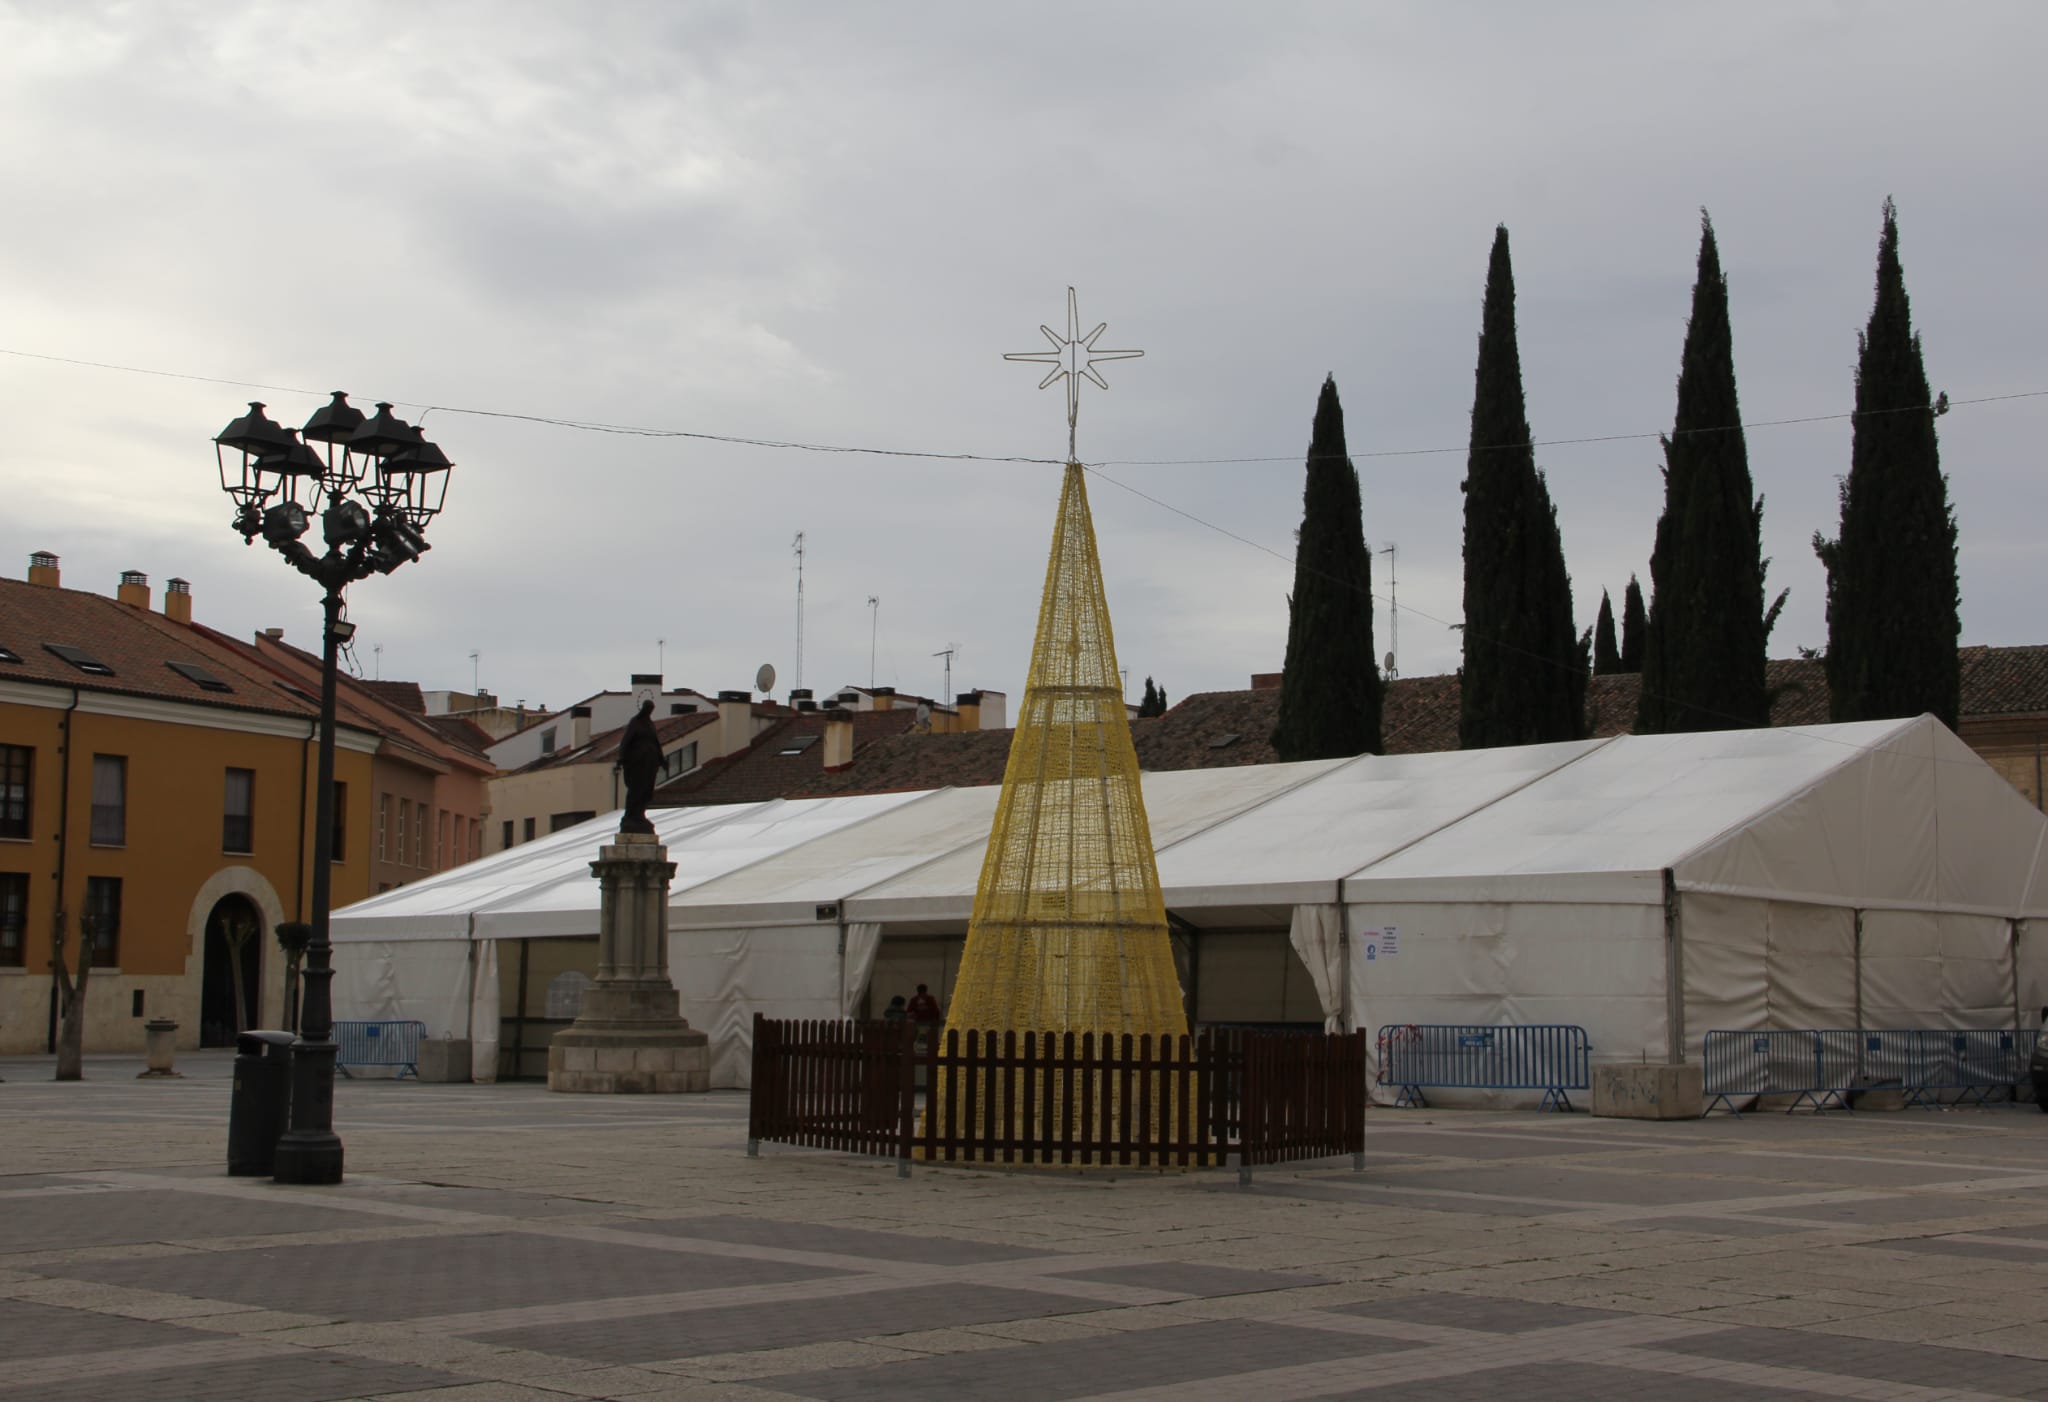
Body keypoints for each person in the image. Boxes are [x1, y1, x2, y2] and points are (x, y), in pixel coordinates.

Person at [617, 699, 663, 834]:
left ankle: (640, 814)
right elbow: (625, 742)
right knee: (636, 789)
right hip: (637, 762)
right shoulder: (635, 723)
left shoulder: (650, 724)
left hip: (650, 762)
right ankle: (631, 815)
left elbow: (656, 743)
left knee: (646, 790)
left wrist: (661, 759)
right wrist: (621, 757)